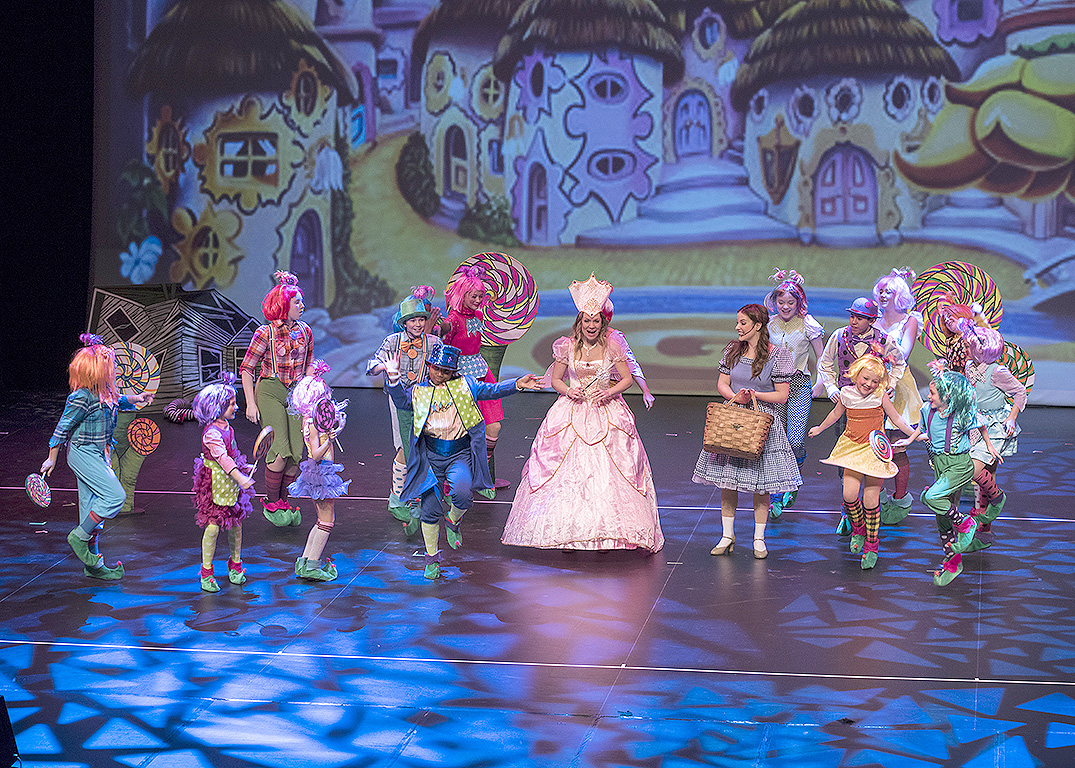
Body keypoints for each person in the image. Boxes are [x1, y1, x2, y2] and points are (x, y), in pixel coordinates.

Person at [503, 274, 664, 552]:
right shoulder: (566, 346)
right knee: (567, 473)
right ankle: (568, 532)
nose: (591, 325)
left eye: (596, 321)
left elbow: (626, 378)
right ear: (580, 321)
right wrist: (568, 391)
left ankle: (609, 532)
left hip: (606, 410)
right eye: (587, 321)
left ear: (602, 322)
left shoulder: (612, 345)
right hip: (572, 410)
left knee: (609, 473)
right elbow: (556, 380)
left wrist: (610, 392)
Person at [385, 345, 542, 580]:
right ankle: (431, 559)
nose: (440, 374)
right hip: (430, 457)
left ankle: (453, 520)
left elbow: (492, 390)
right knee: (430, 509)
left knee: (462, 494)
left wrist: (517, 384)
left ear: (453, 372)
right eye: (436, 369)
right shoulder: (419, 391)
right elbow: (401, 402)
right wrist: (393, 378)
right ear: (429, 367)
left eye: (445, 371)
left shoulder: (465, 386)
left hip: (458, 454)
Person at [692, 304, 801, 559]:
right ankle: (727, 535)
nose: (738, 327)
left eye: (743, 323)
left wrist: (754, 395)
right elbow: (722, 383)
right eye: (738, 322)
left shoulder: (779, 355)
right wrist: (736, 396)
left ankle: (759, 539)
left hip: (762, 422)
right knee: (728, 480)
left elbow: (782, 395)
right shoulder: (733, 350)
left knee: (761, 485)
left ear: (757, 325)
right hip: (733, 420)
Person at [41, 334, 153, 580]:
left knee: (90, 509)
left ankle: (93, 566)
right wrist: (52, 458)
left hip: (99, 453)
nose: (114, 370)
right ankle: (79, 537)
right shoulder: (81, 396)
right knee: (115, 496)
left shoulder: (105, 392)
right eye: (109, 366)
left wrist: (136, 398)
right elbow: (62, 428)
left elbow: (117, 401)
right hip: (83, 453)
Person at [808, 353, 917, 569]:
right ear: (856, 375)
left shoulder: (880, 396)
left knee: (870, 500)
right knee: (849, 495)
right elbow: (835, 415)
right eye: (865, 378)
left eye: (875, 381)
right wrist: (820, 428)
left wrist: (914, 433)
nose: (869, 384)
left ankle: (872, 544)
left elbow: (896, 418)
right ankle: (858, 528)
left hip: (874, 449)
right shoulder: (846, 394)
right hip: (851, 447)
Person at [894, 372, 1000, 586]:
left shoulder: (960, 415)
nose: (929, 396)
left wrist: (989, 446)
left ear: (947, 396)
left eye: (933, 393)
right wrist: (909, 440)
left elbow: (981, 424)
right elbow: (922, 428)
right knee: (941, 515)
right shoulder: (927, 410)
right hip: (940, 465)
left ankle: (966, 523)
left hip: (959, 465)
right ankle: (953, 562)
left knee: (931, 497)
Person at [817, 297, 906, 534]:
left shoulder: (884, 339)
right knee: (845, 455)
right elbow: (825, 363)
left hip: (873, 405)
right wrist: (831, 387)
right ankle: (848, 511)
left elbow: (899, 363)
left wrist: (890, 384)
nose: (854, 321)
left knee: (873, 452)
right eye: (852, 316)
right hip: (848, 402)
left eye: (860, 318)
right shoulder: (839, 336)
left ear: (872, 320)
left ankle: (871, 505)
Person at [240, 271, 315, 527]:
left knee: (296, 454)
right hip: (270, 391)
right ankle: (271, 502)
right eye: (297, 302)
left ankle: (284, 501)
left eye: (301, 301)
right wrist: (250, 403)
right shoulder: (265, 333)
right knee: (280, 449)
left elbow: (309, 364)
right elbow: (247, 368)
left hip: (296, 393)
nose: (302, 306)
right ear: (284, 305)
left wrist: (310, 390)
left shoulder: (305, 331)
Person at [367, 287, 443, 530]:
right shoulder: (393, 341)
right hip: (400, 399)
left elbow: (445, 368)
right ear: (404, 322)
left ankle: (419, 495)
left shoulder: (434, 342)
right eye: (413, 320)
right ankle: (399, 497)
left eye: (421, 319)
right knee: (404, 447)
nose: (418, 324)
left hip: (426, 399)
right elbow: (372, 365)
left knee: (425, 447)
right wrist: (385, 367)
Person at [439, 265, 505, 497]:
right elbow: (445, 329)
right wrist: (437, 326)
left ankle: (480, 476)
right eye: (474, 296)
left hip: (481, 373)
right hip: (459, 377)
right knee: (460, 432)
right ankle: (452, 482)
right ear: (462, 295)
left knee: (493, 425)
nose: (478, 300)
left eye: (480, 296)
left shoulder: (478, 316)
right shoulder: (454, 319)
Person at [763, 269, 824, 517]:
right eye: (781, 302)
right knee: (775, 440)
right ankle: (776, 496)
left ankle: (794, 478)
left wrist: (821, 382)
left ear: (799, 302)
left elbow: (822, 357)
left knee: (795, 440)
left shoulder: (808, 324)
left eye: (790, 302)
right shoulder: (768, 324)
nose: (785, 307)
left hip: (799, 385)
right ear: (774, 302)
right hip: (774, 386)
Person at [963, 327, 1026, 550]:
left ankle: (997, 498)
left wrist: (1011, 418)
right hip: (975, 423)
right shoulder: (969, 366)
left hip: (994, 426)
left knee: (975, 470)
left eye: (968, 346)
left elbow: (1020, 391)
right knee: (985, 475)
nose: (965, 348)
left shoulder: (997, 371)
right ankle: (984, 526)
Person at [191, 374, 255, 592]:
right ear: (217, 407)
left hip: (230, 481)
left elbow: (233, 453)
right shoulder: (211, 433)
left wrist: (243, 468)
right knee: (213, 526)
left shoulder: (228, 427)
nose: (236, 407)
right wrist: (240, 477)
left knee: (236, 524)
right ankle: (206, 572)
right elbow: (223, 458)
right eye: (231, 404)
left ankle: (235, 565)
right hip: (214, 483)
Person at [287, 361, 350, 581]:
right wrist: (330, 440)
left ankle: (306, 561)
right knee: (327, 521)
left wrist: (335, 431)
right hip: (320, 471)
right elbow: (315, 454)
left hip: (321, 470)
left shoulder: (312, 419)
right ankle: (312, 565)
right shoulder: (313, 422)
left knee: (321, 520)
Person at [872, 268, 925, 524]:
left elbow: (903, 352)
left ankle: (900, 498)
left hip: (899, 385)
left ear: (899, 295)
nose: (883, 295)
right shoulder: (873, 320)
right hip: (873, 385)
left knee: (897, 446)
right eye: (881, 291)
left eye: (889, 291)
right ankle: (876, 497)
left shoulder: (909, 321)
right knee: (876, 444)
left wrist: (881, 348)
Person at [601, 298, 655, 410]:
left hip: (609, 393)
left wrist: (646, 391)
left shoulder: (614, 338)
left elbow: (631, 364)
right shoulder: (580, 338)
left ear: (608, 318)